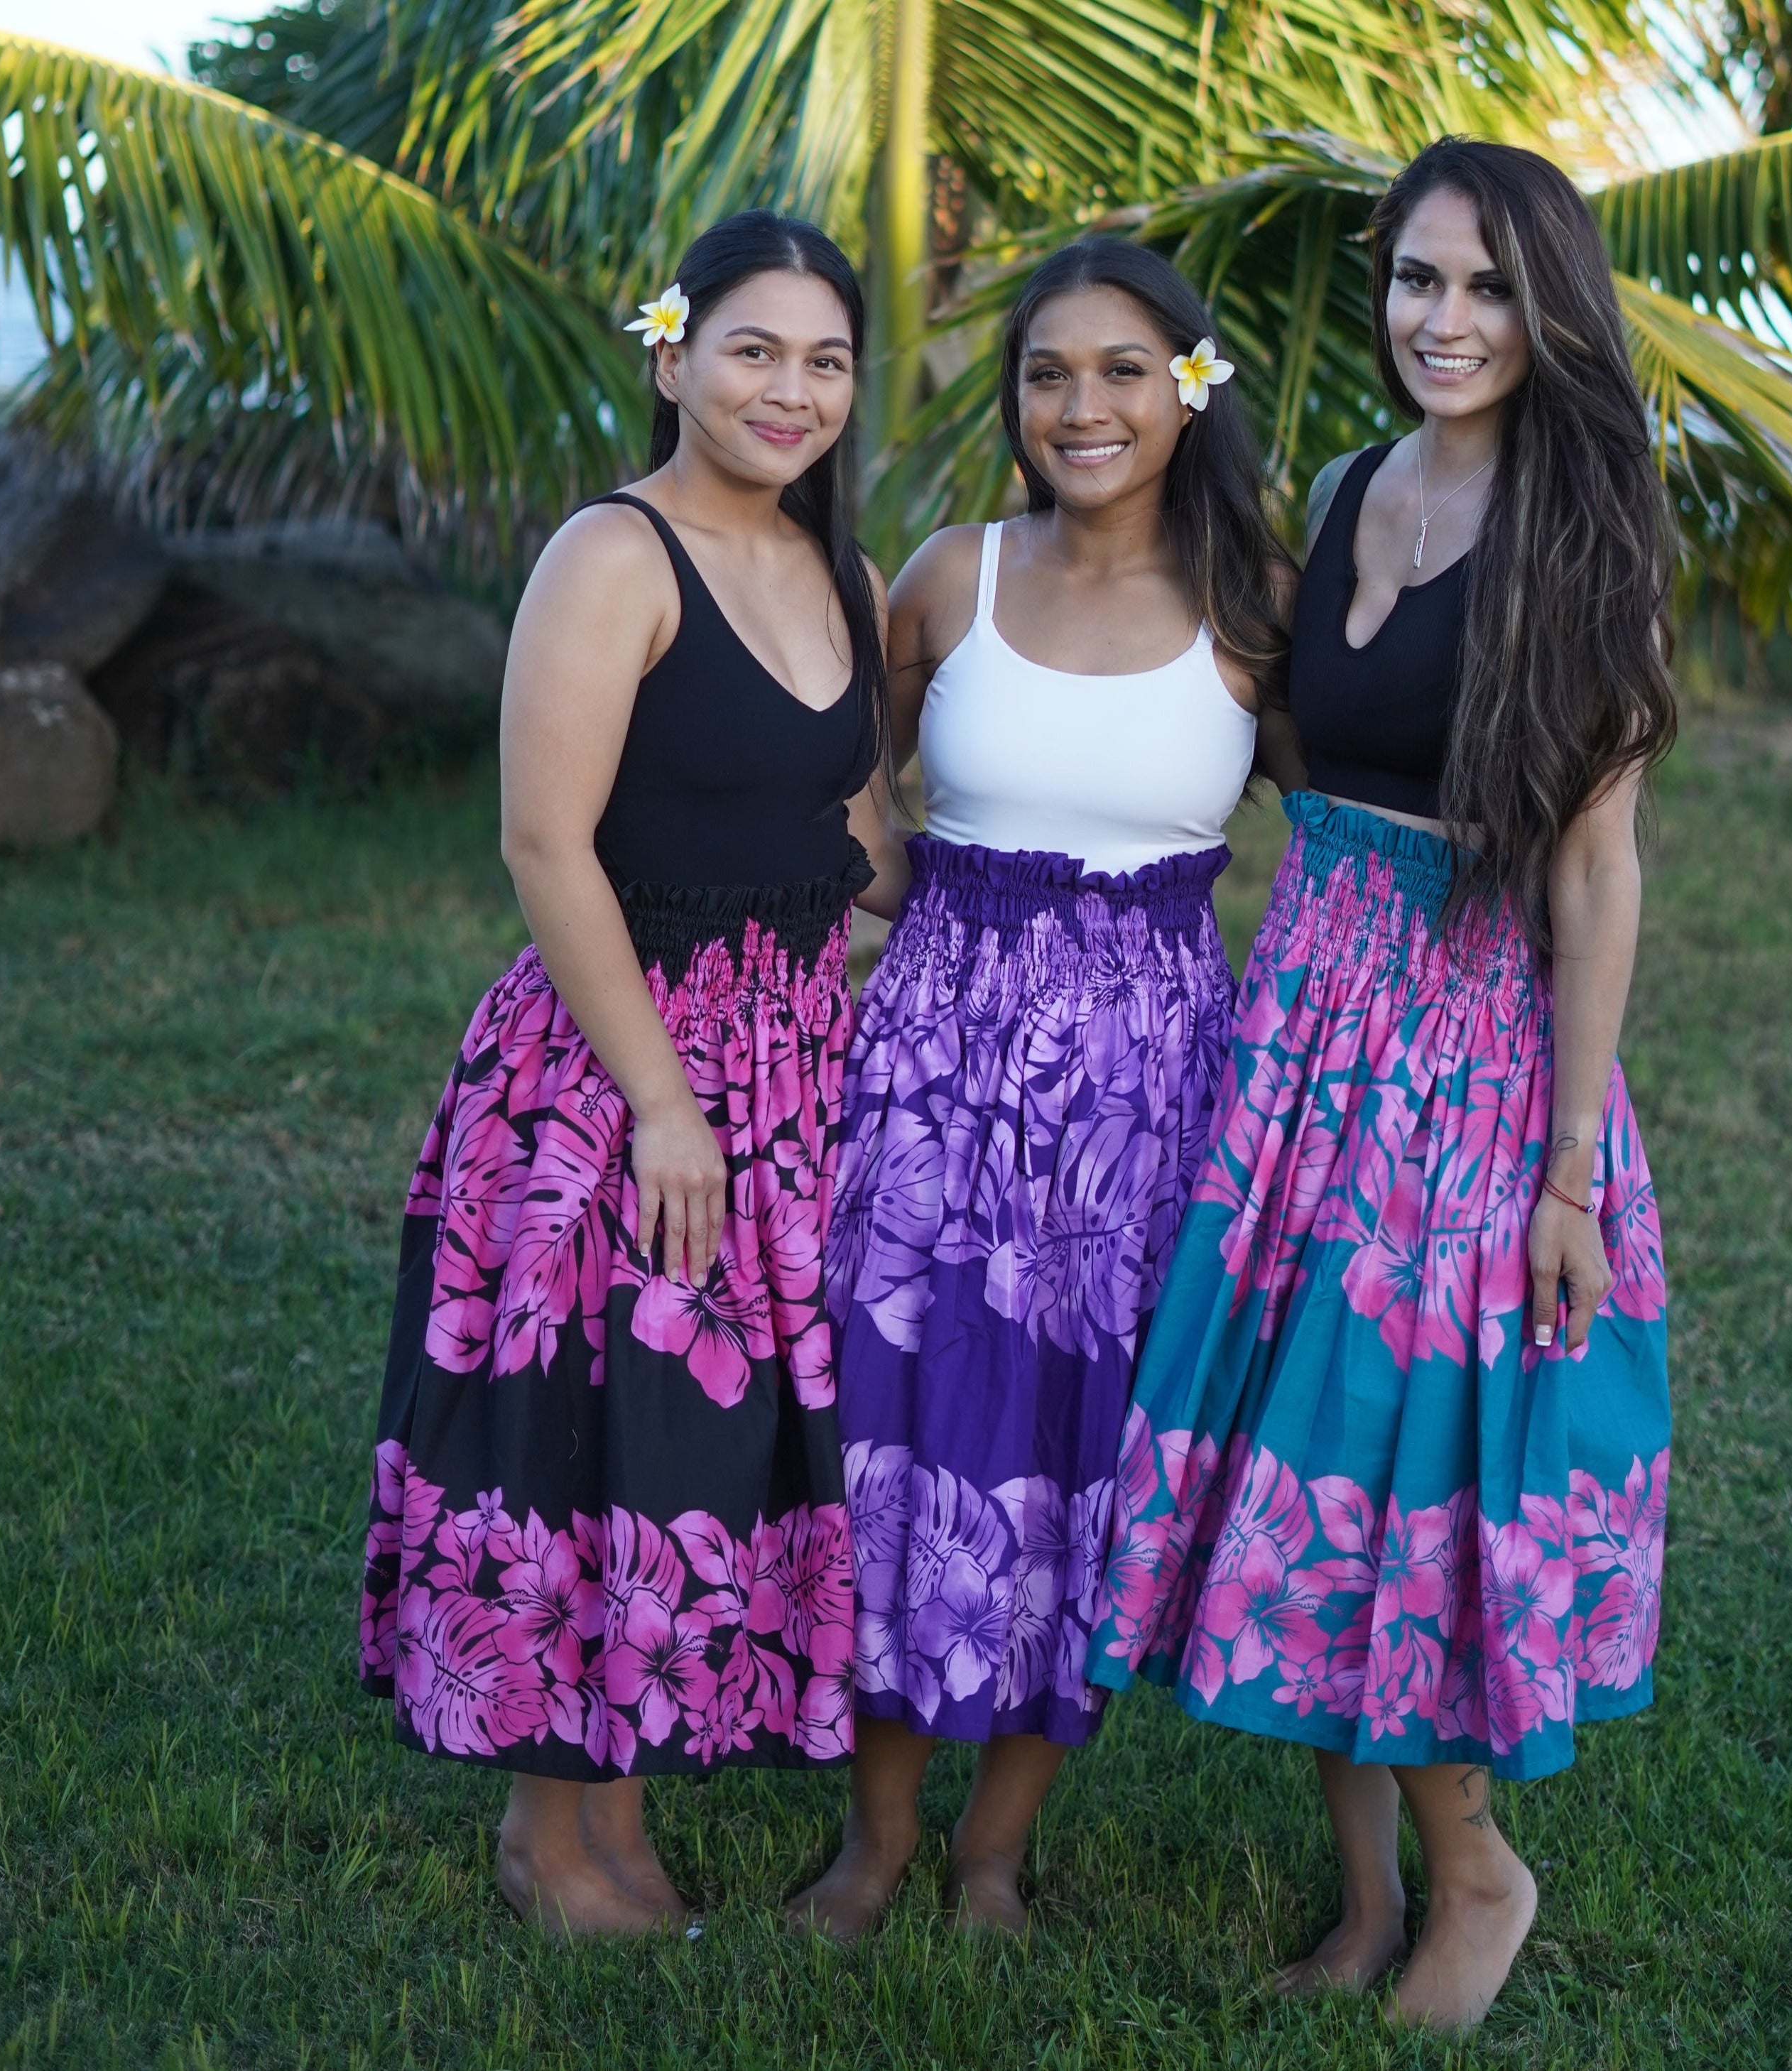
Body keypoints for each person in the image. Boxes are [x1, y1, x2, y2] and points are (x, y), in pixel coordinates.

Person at [1082, 138, 1677, 2030]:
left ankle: (1475, 1869)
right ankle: (1357, 1899)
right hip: (1300, 1030)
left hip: (1469, 1054)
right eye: (1418, 281)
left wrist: (1567, 1167)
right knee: (1295, 1453)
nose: (1443, 320)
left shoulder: (1580, 528)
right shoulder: (1348, 489)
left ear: (1548, 308)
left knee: (1397, 1462)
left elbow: (1593, 869)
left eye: (1487, 288)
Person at [357, 211, 905, 1937]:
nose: (789, 390)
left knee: (699, 1440)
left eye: (825, 360)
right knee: (589, 1424)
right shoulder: (614, 554)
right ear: (671, 357)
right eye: (752, 349)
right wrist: (666, 1103)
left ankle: (621, 1804)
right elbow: (544, 840)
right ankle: (552, 1832)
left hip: (790, 1061)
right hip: (620, 1068)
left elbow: (855, 832)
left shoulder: (849, 576)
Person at [786, 239, 1301, 1940]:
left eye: (1123, 371)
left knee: (1083, 1456)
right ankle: (873, 1843)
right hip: (930, 1061)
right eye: (1047, 374)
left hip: (1146, 1087)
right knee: (896, 1434)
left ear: (1189, 388)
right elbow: (844, 770)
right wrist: (872, 879)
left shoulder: (1253, 612)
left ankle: (994, 1852)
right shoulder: (949, 574)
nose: (1081, 407)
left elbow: (1365, 813)